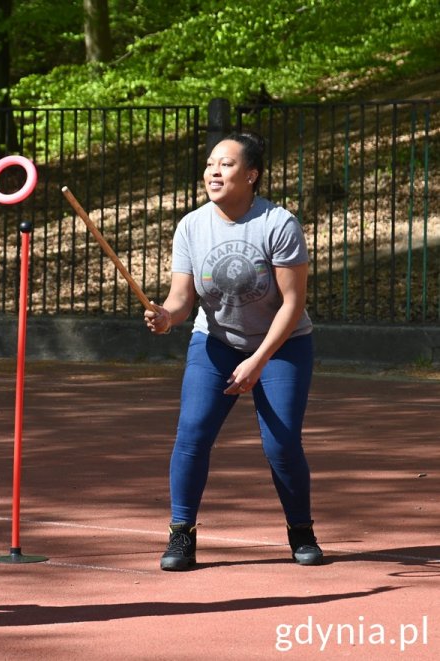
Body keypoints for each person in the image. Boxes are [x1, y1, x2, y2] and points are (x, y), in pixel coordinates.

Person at [144, 130, 323, 571]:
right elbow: (182, 299)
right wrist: (166, 315)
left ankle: (301, 529)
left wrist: (258, 361)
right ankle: (181, 535)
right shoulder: (191, 225)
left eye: (225, 164)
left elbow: (293, 304)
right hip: (216, 342)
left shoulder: (278, 224)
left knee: (281, 445)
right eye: (209, 164)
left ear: (252, 175)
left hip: (282, 345)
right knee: (192, 436)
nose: (213, 172)